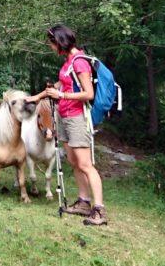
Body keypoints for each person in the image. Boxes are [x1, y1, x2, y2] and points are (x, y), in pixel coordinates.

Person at [30, 24, 107, 226]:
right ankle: (83, 202)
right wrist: (36, 98)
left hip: (77, 118)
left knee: (85, 164)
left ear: (60, 41)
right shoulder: (68, 62)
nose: (50, 47)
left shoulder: (80, 62)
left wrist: (62, 95)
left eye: (52, 43)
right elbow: (60, 84)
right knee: (74, 162)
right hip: (64, 117)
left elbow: (88, 93)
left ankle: (99, 210)